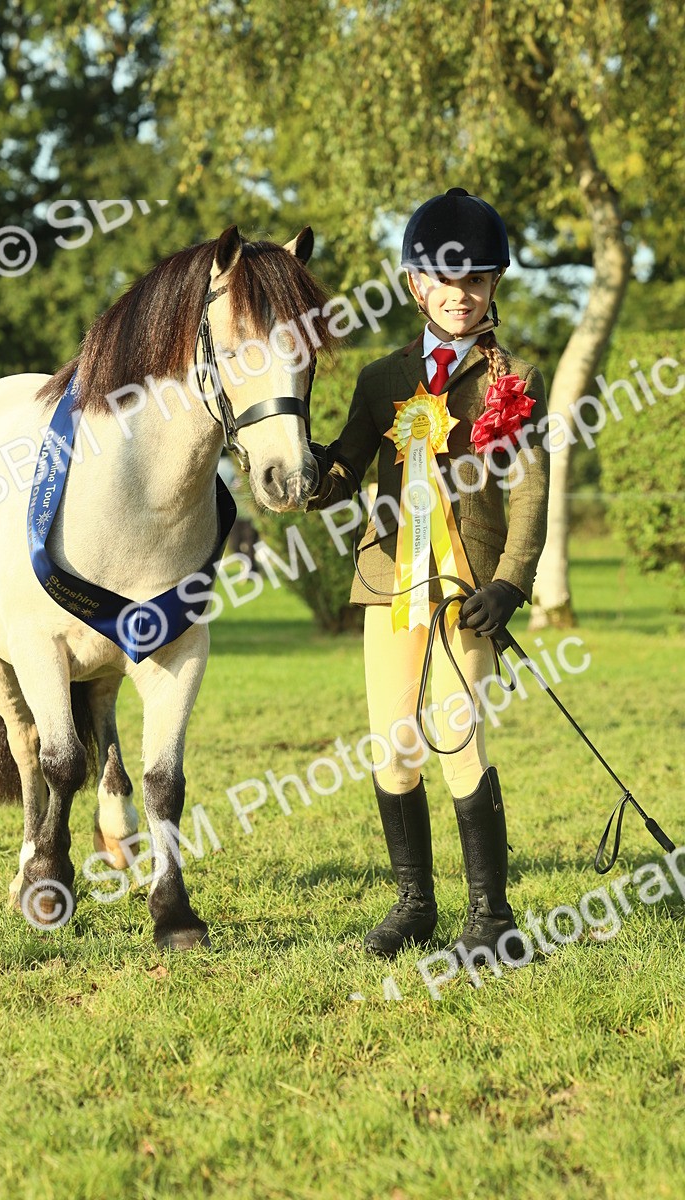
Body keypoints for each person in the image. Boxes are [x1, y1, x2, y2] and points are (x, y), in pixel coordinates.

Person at [307, 188, 549, 961]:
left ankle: (492, 915)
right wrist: (308, 472)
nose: (460, 294)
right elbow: (344, 465)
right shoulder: (382, 379)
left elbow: (531, 488)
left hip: (470, 591)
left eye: (476, 281)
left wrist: (511, 581)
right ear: (416, 285)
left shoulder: (513, 379)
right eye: (445, 281)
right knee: (392, 744)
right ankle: (415, 904)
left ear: (493, 288)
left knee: (457, 734)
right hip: (389, 584)